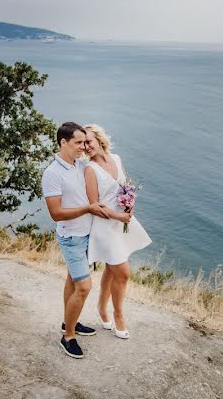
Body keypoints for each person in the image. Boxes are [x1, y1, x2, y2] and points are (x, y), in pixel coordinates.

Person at [42, 121, 110, 359]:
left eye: (84, 142)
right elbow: (56, 213)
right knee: (84, 287)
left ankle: (68, 322)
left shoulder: (80, 166)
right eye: (78, 143)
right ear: (63, 142)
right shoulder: (52, 173)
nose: (83, 147)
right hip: (71, 237)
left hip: (86, 235)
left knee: (72, 281)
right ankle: (68, 336)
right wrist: (88, 209)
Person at [83, 124, 152, 339]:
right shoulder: (90, 169)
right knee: (122, 272)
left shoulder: (117, 158)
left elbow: (125, 187)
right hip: (105, 227)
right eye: (83, 143)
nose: (86, 147)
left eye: (89, 141)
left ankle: (101, 308)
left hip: (122, 222)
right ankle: (119, 315)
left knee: (112, 270)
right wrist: (118, 216)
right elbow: (95, 205)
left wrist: (130, 204)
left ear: (99, 139)